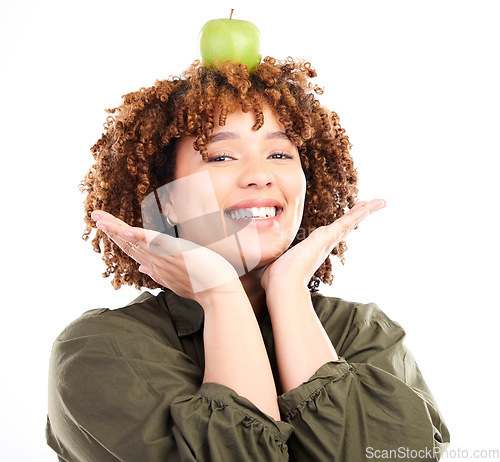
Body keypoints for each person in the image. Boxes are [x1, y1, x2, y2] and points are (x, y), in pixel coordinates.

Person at [46, 57, 450, 461]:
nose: (260, 175)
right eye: (221, 157)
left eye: (279, 154)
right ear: (167, 201)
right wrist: (222, 296)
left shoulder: (362, 334)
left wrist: (289, 292)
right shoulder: (100, 351)